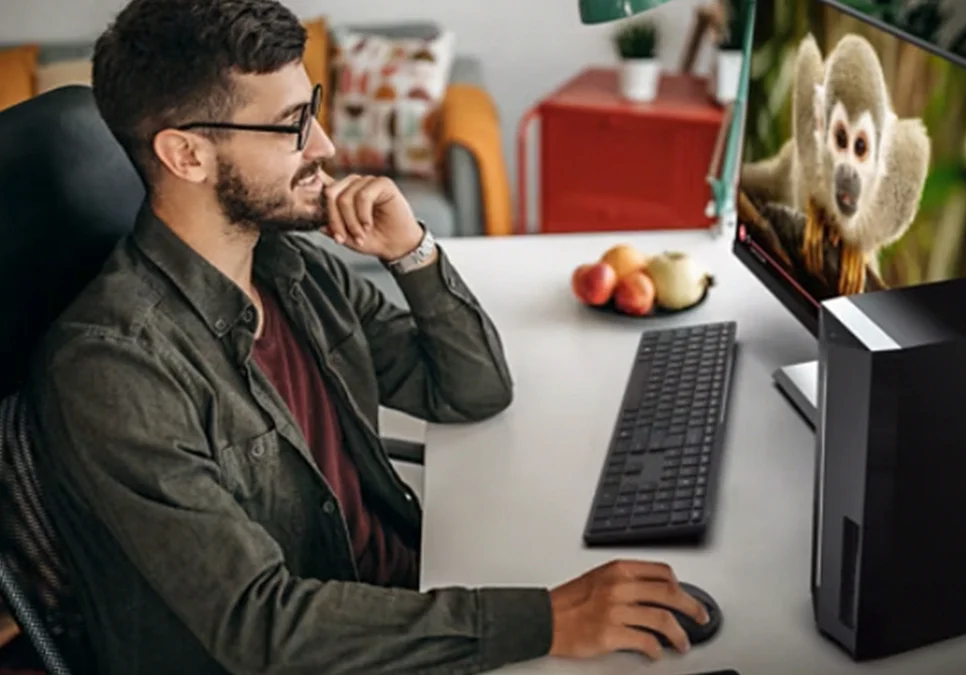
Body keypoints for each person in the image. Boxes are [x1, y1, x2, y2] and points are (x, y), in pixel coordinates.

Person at [27, 0, 709, 673]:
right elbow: (261, 625)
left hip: (409, 602)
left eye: (312, 109)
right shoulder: (113, 366)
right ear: (186, 154)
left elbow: (473, 390)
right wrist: (546, 619)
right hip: (334, 649)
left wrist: (409, 252)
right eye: (292, 125)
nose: (323, 146)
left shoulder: (290, 266)